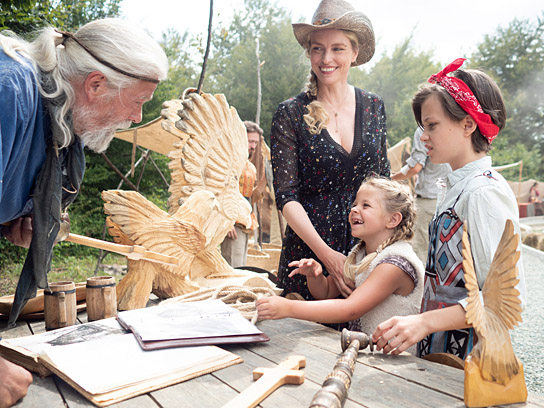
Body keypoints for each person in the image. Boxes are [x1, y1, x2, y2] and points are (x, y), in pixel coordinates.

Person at [0, 18, 168, 326]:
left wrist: (13, 223)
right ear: (95, 84)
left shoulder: (60, 126)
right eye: (138, 102)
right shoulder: (9, 93)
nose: (136, 117)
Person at [372, 58, 526, 359]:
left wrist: (424, 322)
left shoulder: (483, 193)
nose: (424, 136)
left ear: (467, 123)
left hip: (471, 362)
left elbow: (507, 298)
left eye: (432, 125)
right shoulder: (457, 188)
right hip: (441, 354)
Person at [270, 0, 390, 304]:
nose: (326, 58)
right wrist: (328, 257)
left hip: (364, 252)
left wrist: (382, 250)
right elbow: (286, 196)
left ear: (354, 52)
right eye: (317, 49)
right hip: (310, 255)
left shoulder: (374, 107)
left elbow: (384, 183)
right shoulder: (290, 113)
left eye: (337, 48)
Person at [257, 177, 424, 353]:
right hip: (371, 355)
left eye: (365, 205)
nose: (354, 209)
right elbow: (327, 292)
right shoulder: (361, 254)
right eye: (354, 204)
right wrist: (315, 276)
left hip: (395, 361)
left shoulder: (395, 264)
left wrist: (289, 308)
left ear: (392, 220)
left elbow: (350, 309)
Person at [392, 127, 451, 262]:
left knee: (420, 252)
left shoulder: (423, 131)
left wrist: (392, 178)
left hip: (429, 200)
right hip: (449, 200)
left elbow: (416, 166)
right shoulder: (452, 126)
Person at [220, 121, 259, 268]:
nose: (253, 146)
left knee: (241, 266)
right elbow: (221, 191)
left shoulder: (250, 166)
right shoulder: (229, 162)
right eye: (250, 141)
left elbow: (249, 197)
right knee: (232, 267)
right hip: (232, 221)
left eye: (255, 142)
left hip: (246, 221)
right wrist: (227, 221)